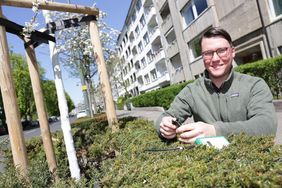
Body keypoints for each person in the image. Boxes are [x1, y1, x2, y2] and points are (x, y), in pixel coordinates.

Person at [156, 27, 277, 144]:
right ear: (202, 57)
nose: (215, 59)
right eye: (208, 53)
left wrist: (215, 131)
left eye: (221, 51)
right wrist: (165, 127)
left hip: (252, 162)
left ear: (233, 51)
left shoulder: (254, 85)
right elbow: (165, 117)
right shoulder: (192, 91)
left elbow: (267, 125)